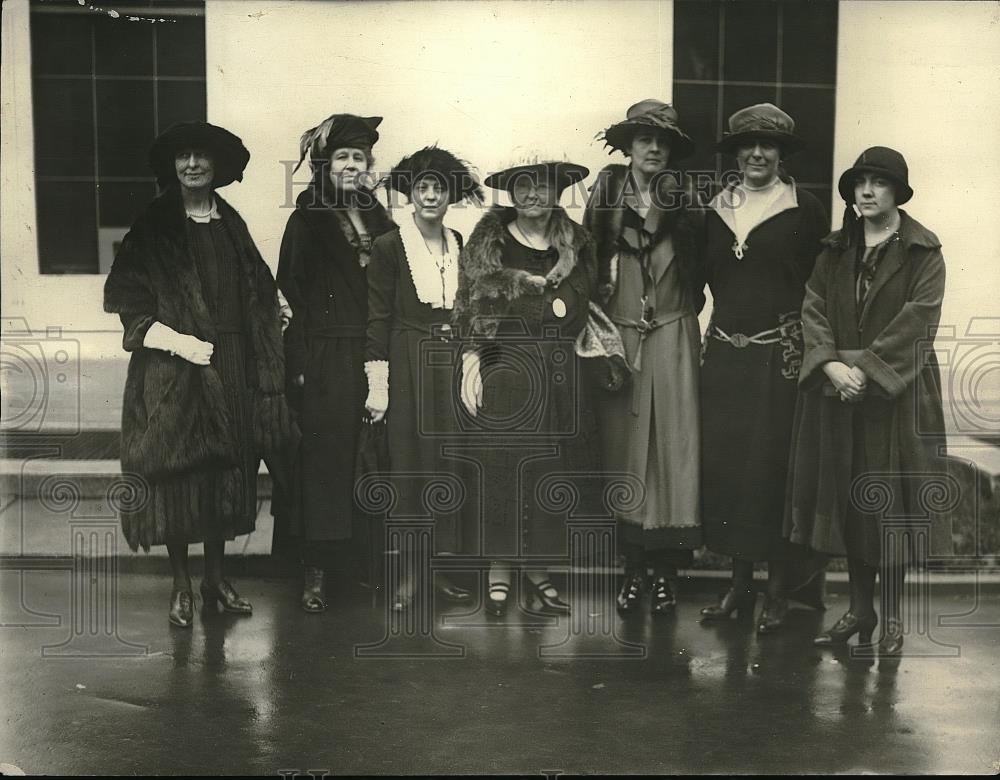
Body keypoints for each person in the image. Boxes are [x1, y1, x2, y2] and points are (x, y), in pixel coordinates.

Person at [103, 121, 295, 627]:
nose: (192, 164)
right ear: (172, 166)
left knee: (225, 477)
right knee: (179, 479)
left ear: (217, 165)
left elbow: (257, 286)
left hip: (231, 365)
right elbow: (126, 303)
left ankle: (215, 579)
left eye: (201, 156)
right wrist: (177, 342)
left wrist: (272, 308)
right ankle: (181, 586)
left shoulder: (232, 225)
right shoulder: (153, 227)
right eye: (183, 156)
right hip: (174, 372)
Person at [785, 147, 951, 659]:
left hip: (897, 392)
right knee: (854, 503)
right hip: (840, 391)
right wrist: (830, 365)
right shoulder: (836, 249)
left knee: (891, 505)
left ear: (897, 191)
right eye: (860, 182)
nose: (867, 190)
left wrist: (867, 371)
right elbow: (813, 307)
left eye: (879, 182)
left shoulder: (922, 251)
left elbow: (920, 317)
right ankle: (861, 610)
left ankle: (894, 617)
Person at [699, 103, 829, 633]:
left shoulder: (805, 208)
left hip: (781, 358)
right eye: (746, 145)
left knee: (773, 473)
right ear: (735, 153)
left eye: (767, 145)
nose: (756, 153)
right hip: (724, 358)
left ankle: (777, 593)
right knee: (731, 471)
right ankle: (739, 588)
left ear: (780, 154)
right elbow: (696, 284)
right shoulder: (715, 208)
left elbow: (821, 287)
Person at [452, 154, 600, 617]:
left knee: (549, 471)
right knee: (505, 467)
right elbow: (470, 307)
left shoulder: (577, 242)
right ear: (510, 193)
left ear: (559, 191)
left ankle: (539, 571)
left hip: (560, 370)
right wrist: (472, 360)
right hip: (508, 370)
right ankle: (498, 571)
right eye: (522, 185)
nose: (533, 194)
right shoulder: (489, 244)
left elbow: (589, 298)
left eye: (543, 185)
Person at [585, 100, 704, 614]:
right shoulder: (606, 196)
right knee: (624, 453)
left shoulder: (689, 200)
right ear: (628, 146)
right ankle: (632, 570)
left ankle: (666, 575)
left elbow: (702, 271)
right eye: (644, 139)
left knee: (675, 453)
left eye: (662, 141)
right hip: (621, 339)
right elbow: (586, 262)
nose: (654, 148)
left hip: (673, 337)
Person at [276, 114, 396, 613]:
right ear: (325, 164)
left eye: (358, 158)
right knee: (323, 462)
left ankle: (360, 565)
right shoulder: (306, 219)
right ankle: (316, 571)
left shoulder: (380, 218)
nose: (350, 165)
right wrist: (298, 363)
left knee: (366, 459)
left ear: (368, 165)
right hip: (324, 356)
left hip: (370, 351)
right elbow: (291, 292)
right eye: (342, 157)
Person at [364, 145, 484, 611]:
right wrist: (379, 383)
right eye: (423, 188)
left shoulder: (458, 241)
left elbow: (468, 308)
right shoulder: (389, 247)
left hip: (449, 363)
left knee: (446, 464)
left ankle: (437, 571)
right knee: (411, 464)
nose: (431, 196)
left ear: (451, 195)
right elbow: (378, 316)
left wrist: (471, 361)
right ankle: (410, 575)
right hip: (409, 362)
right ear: (411, 194)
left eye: (440, 188)